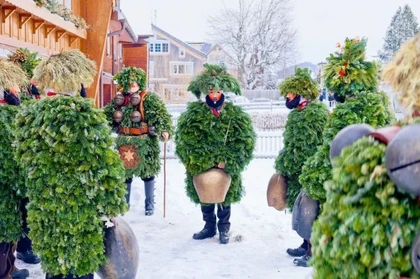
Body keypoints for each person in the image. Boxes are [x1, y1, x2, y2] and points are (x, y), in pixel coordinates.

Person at [14, 49, 128, 279]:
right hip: (81, 204)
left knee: (55, 259)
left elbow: (23, 159)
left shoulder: (30, 116)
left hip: (46, 203)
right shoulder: (86, 116)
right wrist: (110, 202)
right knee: (81, 260)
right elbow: (103, 163)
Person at [174, 63, 256, 244]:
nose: (214, 95)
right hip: (202, 165)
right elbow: (185, 141)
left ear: (223, 91)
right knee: (205, 195)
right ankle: (209, 226)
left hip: (225, 167)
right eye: (211, 91)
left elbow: (244, 142)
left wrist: (228, 160)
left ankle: (224, 228)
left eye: (217, 91)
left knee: (225, 196)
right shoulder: (193, 116)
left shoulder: (235, 116)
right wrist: (202, 160)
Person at [274, 68, 329, 266]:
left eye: (290, 93)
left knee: (312, 211)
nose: (287, 97)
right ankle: (305, 244)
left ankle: (315, 251)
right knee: (302, 213)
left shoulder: (316, 113)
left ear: (301, 93)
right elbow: (292, 144)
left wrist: (312, 167)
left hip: (311, 171)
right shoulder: (297, 113)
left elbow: (322, 143)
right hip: (298, 172)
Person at [104, 67, 173, 215]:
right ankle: (124, 203)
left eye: (135, 81)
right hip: (124, 142)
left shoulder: (148, 99)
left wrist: (164, 130)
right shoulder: (118, 101)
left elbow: (161, 116)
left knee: (147, 174)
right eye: (129, 82)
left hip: (144, 142)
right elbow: (106, 116)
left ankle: (149, 205)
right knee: (125, 174)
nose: (132, 84)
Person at [0, 59, 30, 279]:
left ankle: (9, 268)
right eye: (15, 86)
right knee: (4, 232)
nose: (18, 90)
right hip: (4, 192)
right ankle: (4, 272)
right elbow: (11, 158)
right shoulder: (5, 118)